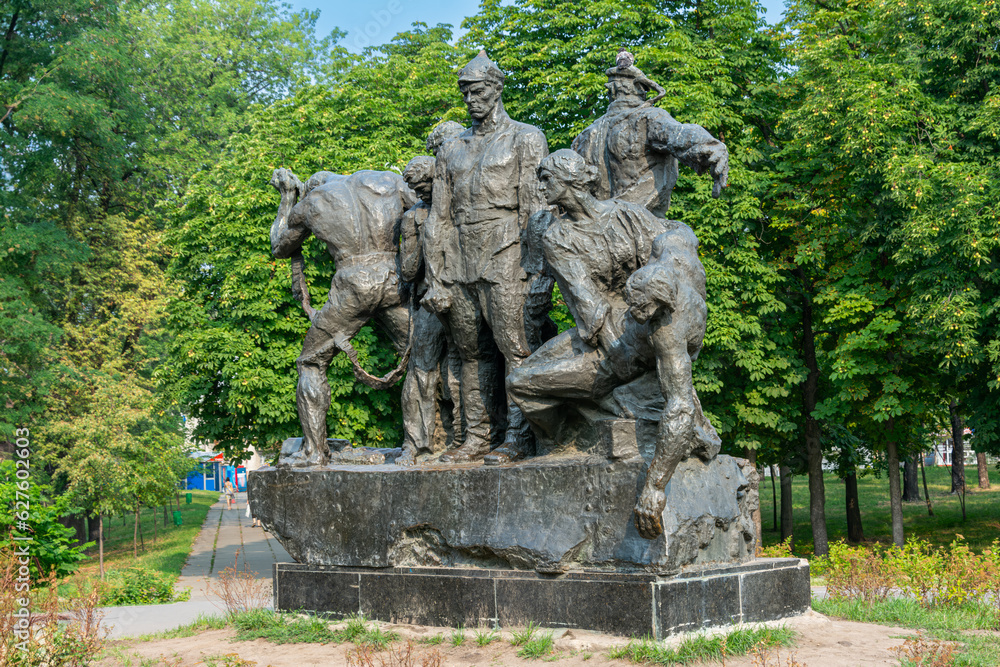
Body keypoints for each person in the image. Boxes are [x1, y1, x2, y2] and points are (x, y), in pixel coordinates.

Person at [421, 51, 551, 464]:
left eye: (477, 91)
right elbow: (437, 216)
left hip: (506, 252)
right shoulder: (451, 149)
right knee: (472, 353)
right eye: (465, 93)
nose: (470, 100)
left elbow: (535, 210)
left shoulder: (525, 138)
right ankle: (478, 437)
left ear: (495, 89)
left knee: (515, 348)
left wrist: (538, 270)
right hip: (459, 257)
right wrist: (437, 275)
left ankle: (518, 436)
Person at [269, 167, 418, 467]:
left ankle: (314, 452)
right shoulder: (388, 179)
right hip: (394, 278)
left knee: (310, 362)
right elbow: (425, 210)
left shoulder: (313, 201)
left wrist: (287, 197)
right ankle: (427, 444)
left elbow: (279, 246)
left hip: (352, 284)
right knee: (422, 356)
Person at [572, 50, 728, 217]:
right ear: (641, 91)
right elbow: (680, 134)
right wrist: (712, 146)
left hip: (596, 227)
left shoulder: (583, 136)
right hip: (641, 222)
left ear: (612, 91)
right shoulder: (648, 117)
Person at [397, 121, 466, 463]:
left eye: (425, 183)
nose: (422, 189)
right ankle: (419, 443)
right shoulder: (416, 217)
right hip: (434, 300)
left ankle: (459, 440)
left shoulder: (424, 216)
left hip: (460, 298)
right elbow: (409, 271)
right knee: (425, 371)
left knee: (459, 370)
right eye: (416, 186)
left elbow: (408, 268)